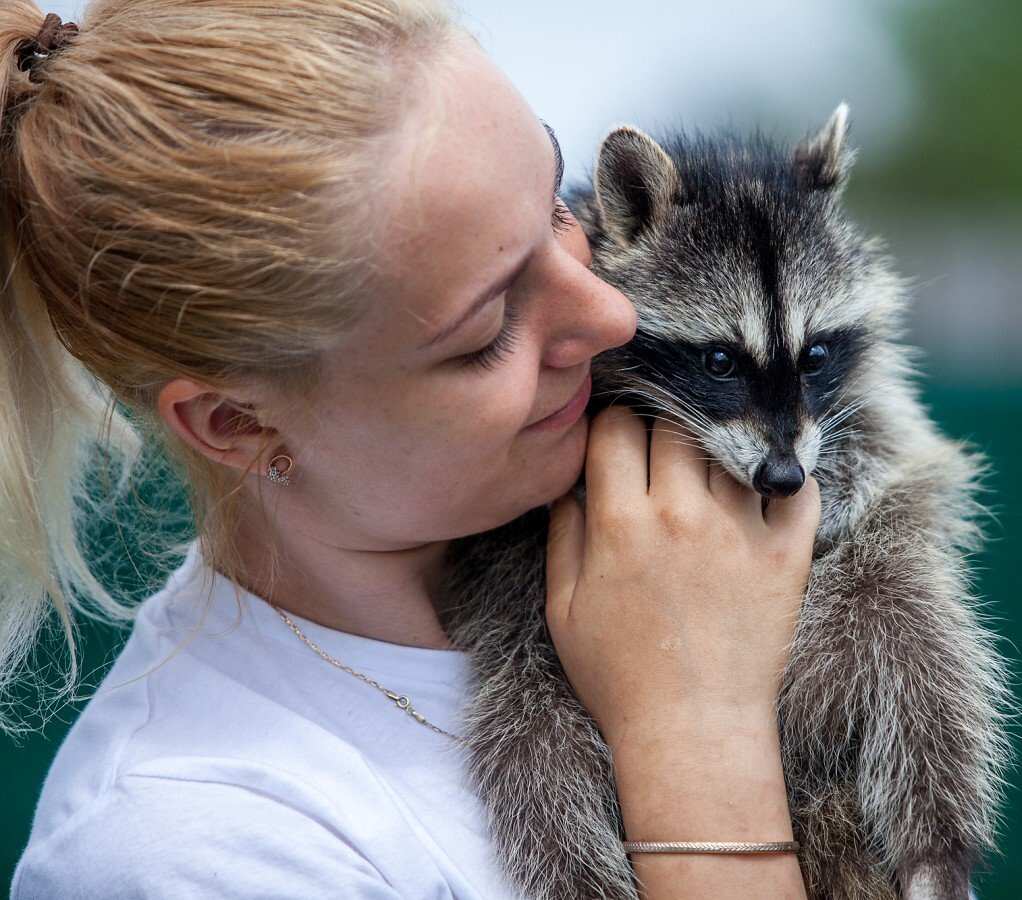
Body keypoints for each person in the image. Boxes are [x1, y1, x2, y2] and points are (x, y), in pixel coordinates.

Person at [1, 2, 822, 898]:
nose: (612, 312)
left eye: (554, 207)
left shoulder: (694, 543)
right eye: (487, 330)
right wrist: (698, 738)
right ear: (239, 425)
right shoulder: (193, 849)